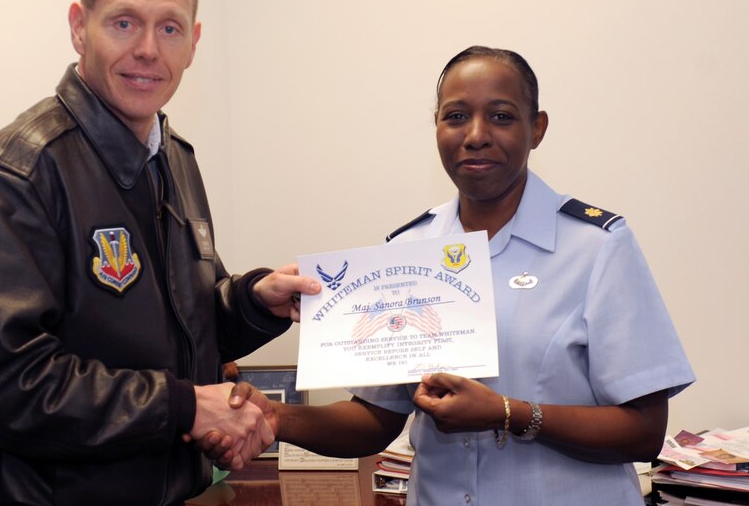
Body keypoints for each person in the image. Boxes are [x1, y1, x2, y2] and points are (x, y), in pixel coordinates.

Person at [207, 46, 695, 505]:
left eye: (501, 116)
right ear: (437, 126)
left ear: (537, 128)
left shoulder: (597, 247)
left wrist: (507, 414)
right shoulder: (407, 253)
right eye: (456, 116)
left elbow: (644, 432)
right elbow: (376, 419)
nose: (475, 134)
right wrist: (277, 416)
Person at [0, 0, 319, 506]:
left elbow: (179, 328)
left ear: (193, 43)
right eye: (123, 23)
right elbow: (4, 386)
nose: (147, 49)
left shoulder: (174, 158)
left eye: (169, 28)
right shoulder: (18, 175)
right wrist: (187, 408)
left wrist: (251, 302)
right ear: (79, 27)